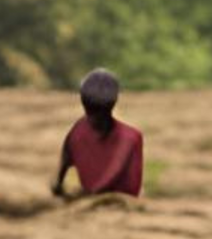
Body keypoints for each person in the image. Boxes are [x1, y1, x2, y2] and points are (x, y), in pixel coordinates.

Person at [53, 68, 144, 199]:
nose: (95, 120)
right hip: (99, 202)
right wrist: (60, 187)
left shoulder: (130, 138)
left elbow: (113, 174)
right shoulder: (78, 131)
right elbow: (63, 166)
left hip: (113, 201)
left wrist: (81, 196)